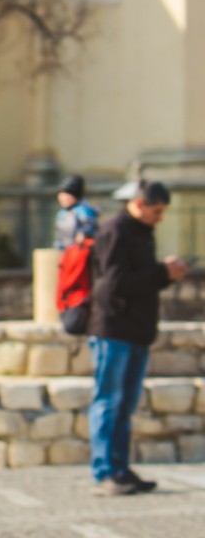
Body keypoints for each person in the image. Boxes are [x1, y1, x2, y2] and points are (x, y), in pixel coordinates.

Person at [87, 180, 188, 496]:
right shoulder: (115, 231)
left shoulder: (142, 233)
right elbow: (113, 284)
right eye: (157, 211)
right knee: (108, 402)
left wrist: (162, 275)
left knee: (125, 405)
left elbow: (139, 283)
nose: (160, 217)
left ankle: (120, 468)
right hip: (114, 331)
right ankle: (104, 472)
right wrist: (162, 274)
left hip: (137, 332)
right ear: (141, 203)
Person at [53, 174, 100, 250]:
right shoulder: (62, 213)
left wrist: (83, 234)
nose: (61, 199)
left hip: (79, 252)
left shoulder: (84, 210)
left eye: (65, 196)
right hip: (65, 253)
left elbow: (90, 226)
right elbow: (59, 235)